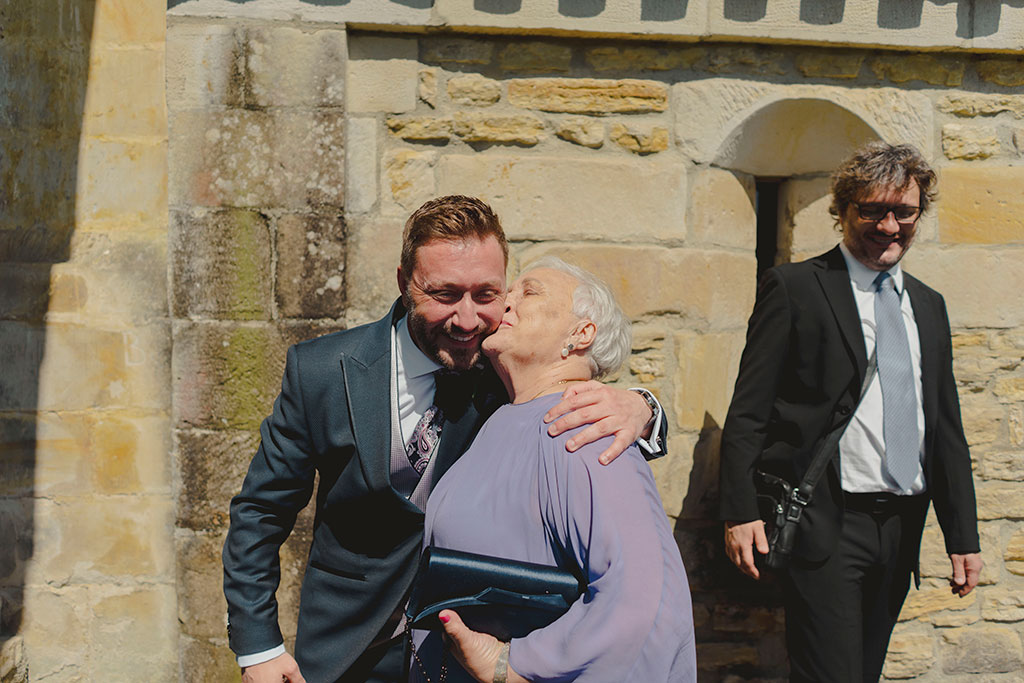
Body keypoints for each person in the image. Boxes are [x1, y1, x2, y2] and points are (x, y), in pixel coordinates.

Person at [223, 196, 667, 683]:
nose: (467, 320)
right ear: (404, 284)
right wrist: (258, 646)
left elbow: (573, 386)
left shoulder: (504, 366)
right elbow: (261, 512)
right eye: (445, 295)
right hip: (345, 650)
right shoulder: (322, 371)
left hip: (467, 655)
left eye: (485, 295)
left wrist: (644, 407)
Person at [719, 142, 982, 681]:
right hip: (827, 526)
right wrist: (739, 510)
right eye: (873, 210)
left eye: (903, 212)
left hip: (902, 527)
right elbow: (749, 410)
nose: (889, 226)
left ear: (918, 214)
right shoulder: (795, 288)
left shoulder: (928, 305)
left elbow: (945, 429)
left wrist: (963, 536)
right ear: (843, 211)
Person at [412, 256, 696, 683]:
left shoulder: (585, 429)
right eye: (508, 293)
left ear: (581, 334)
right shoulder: (498, 419)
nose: (506, 303)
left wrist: (514, 664)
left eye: (530, 291)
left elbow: (645, 599)